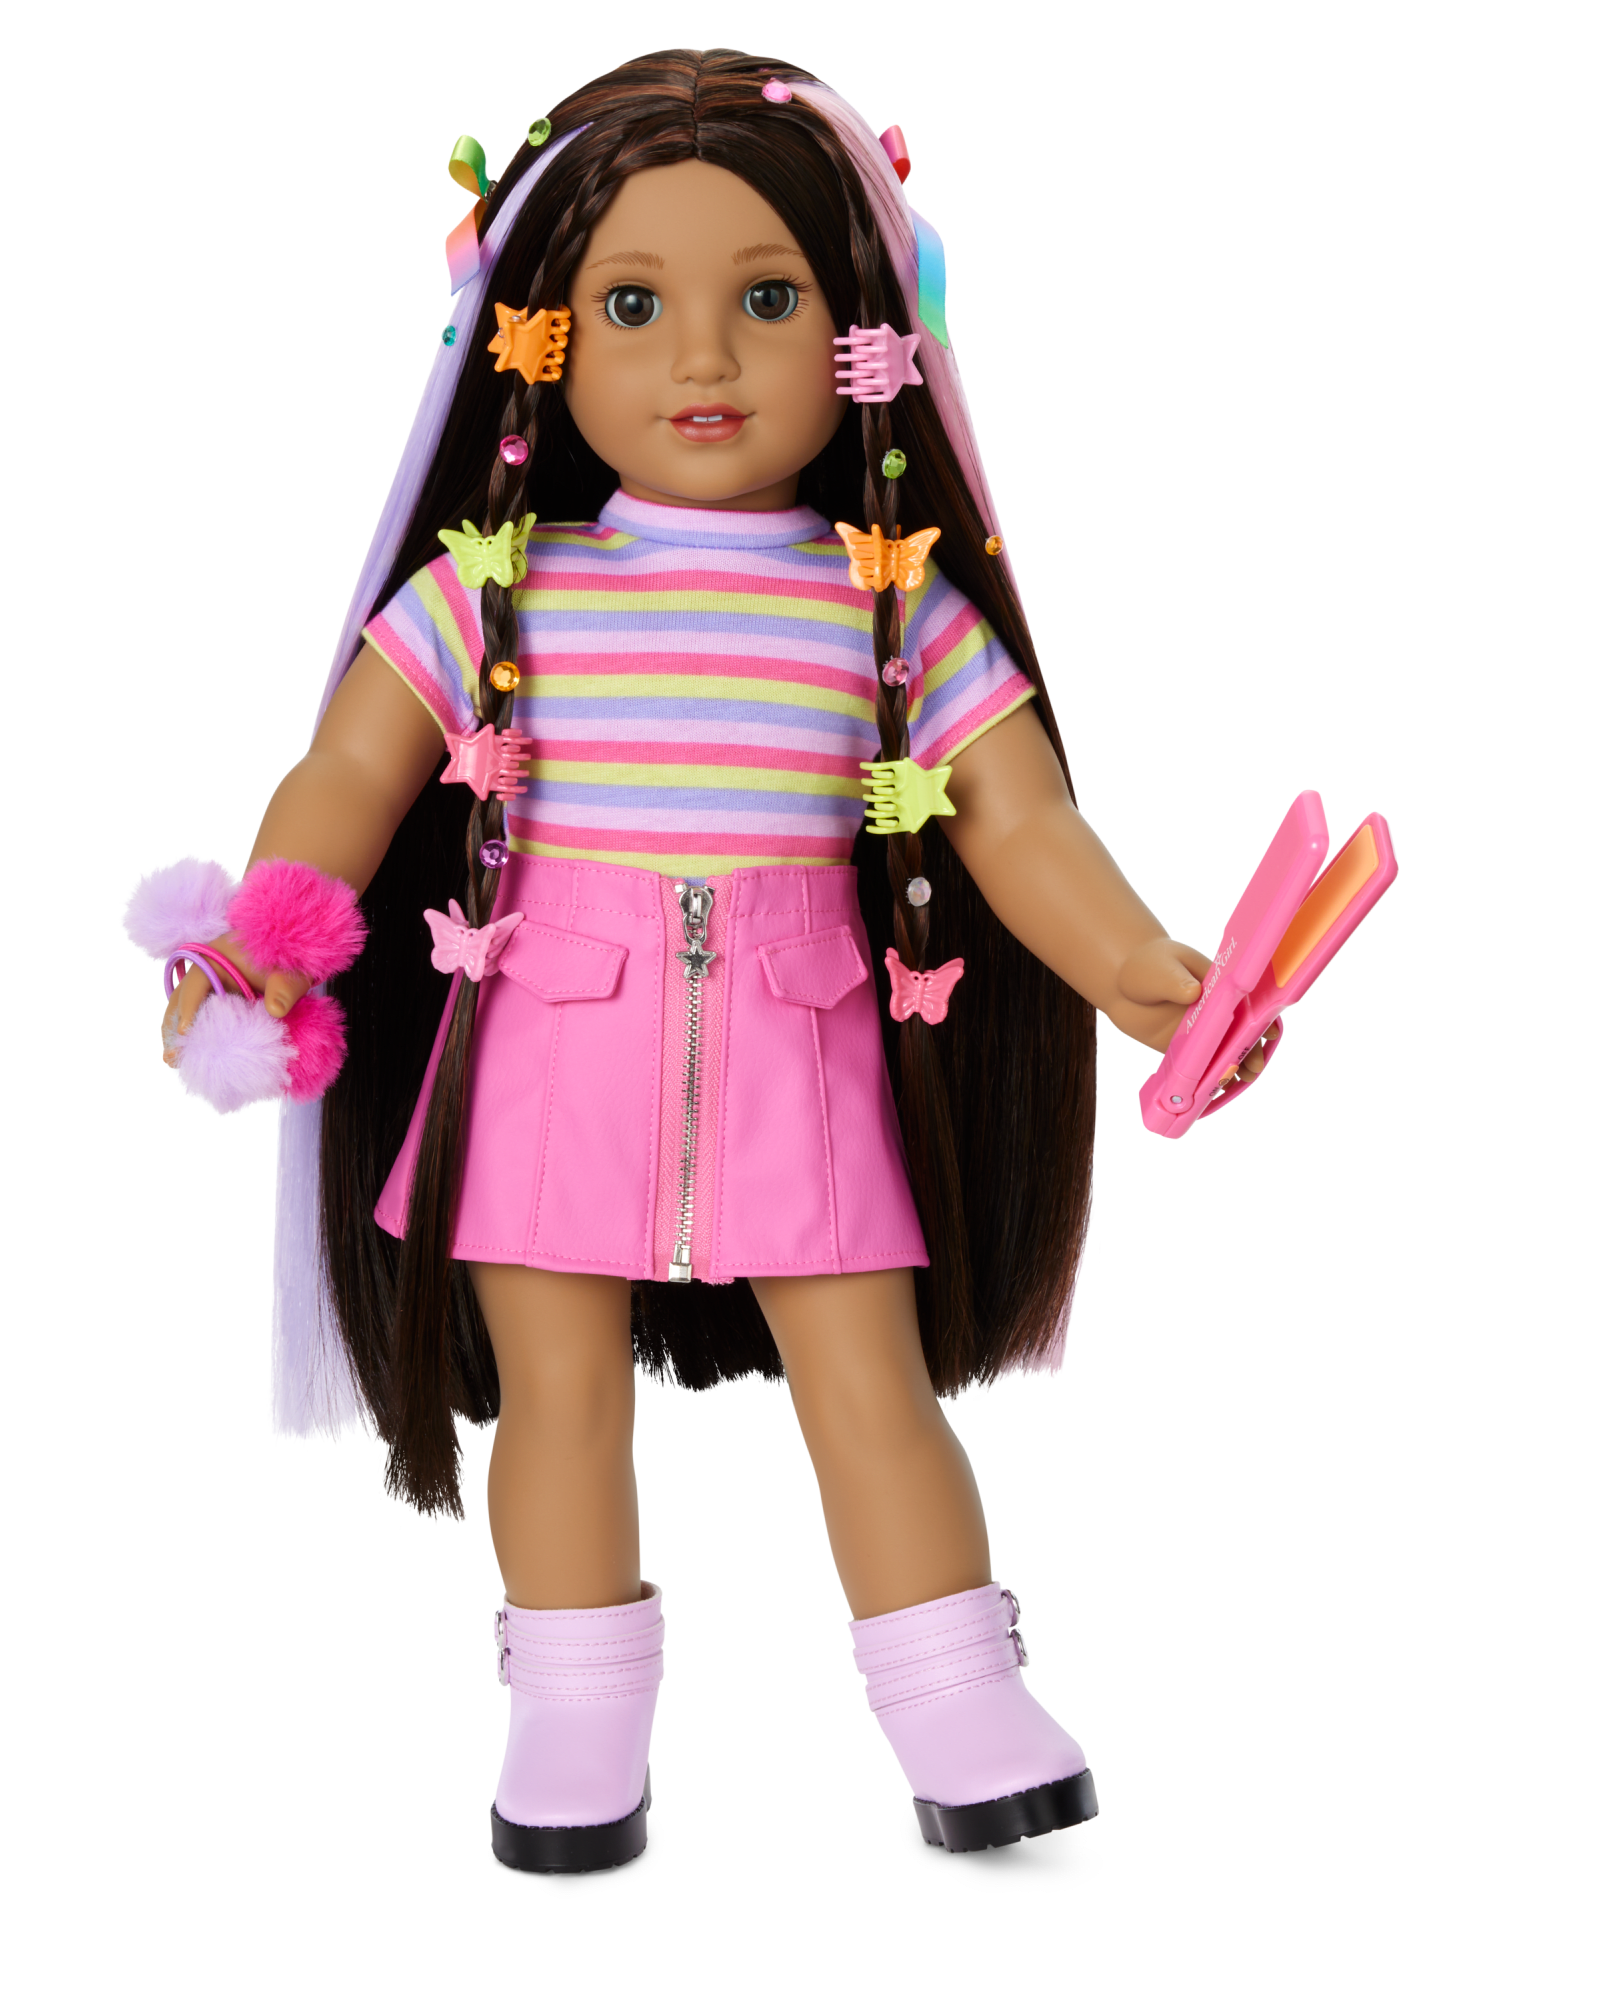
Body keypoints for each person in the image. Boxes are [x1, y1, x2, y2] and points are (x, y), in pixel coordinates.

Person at [131, 49, 1267, 1873]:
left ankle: (958, 1700)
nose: (705, 360)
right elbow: (346, 773)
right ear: (540, 339)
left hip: (805, 1035)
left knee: (869, 1384)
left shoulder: (889, 603)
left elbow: (1018, 818)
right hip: (546, 1039)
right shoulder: (499, 589)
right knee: (559, 1397)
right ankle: (573, 1723)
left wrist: (1142, 967)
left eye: (770, 300)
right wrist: (265, 936)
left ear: (865, 331)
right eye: (634, 306)